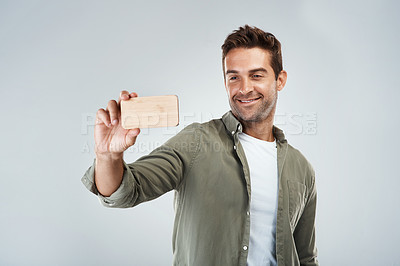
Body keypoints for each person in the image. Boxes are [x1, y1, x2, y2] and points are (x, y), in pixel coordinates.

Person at [82, 25, 318, 266]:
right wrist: (107, 156)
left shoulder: (302, 169)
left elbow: (306, 257)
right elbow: (126, 192)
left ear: (280, 80)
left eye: (256, 75)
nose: (244, 88)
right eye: (234, 77)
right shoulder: (196, 142)